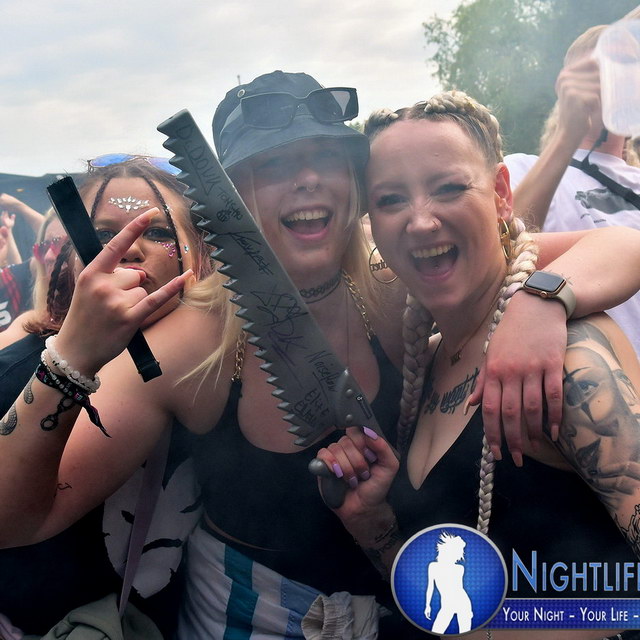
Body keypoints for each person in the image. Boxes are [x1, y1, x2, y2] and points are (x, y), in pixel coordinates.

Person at [1, 72, 640, 640]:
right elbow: (18, 519)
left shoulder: (400, 280)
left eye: (325, 157)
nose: (306, 177)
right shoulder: (193, 343)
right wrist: (70, 356)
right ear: (233, 199)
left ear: (351, 184)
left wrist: (539, 300)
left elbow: (616, 246)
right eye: (275, 164)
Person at [316, 90, 640, 640]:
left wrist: (539, 301)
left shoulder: (566, 355)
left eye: (448, 188)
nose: (421, 221)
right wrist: (374, 526)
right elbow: (440, 609)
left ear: (500, 194)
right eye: (390, 199)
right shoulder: (430, 360)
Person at [0, 155, 211, 638]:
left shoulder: (229, 361)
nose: (129, 248)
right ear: (72, 258)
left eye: (158, 231)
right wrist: (69, 363)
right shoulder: (16, 372)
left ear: (200, 257)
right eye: (103, 233)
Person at [505, 24, 640, 358]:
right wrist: (568, 133)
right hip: (597, 377)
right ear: (565, 86)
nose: (613, 80)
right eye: (598, 69)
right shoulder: (522, 169)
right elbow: (501, 250)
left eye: (627, 68)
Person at [0, 209, 66, 349]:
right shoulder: (37, 322)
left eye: (60, 244)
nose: (48, 256)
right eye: (44, 247)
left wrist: (16, 205)